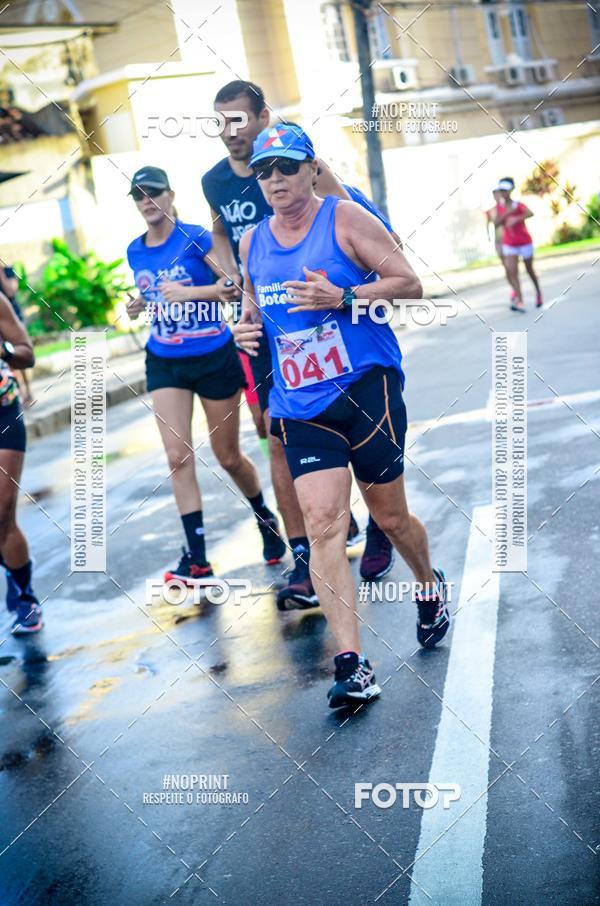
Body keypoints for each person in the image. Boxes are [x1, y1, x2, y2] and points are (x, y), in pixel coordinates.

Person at [238, 124, 449, 709]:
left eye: (286, 167)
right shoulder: (254, 240)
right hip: (302, 403)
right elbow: (254, 307)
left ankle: (428, 586)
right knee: (325, 523)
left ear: (310, 168)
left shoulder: (347, 219)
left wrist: (346, 298)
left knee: (392, 515)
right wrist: (245, 327)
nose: (275, 180)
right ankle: (352, 665)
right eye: (264, 171)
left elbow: (409, 284)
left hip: (366, 388)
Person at [202, 80, 394, 611]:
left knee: (360, 430)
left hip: (333, 311)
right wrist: (237, 283)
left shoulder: (302, 160)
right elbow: (220, 233)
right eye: (220, 122)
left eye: (239, 121)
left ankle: (382, 520)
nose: (229, 133)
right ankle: (307, 557)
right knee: (276, 438)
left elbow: (350, 217)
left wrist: (342, 290)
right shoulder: (214, 180)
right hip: (272, 327)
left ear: (264, 117)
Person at [125, 166, 285, 585]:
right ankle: (197, 559)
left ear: (171, 194)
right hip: (164, 359)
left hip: (214, 355)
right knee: (178, 457)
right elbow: (154, 292)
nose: (147, 201)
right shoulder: (135, 250)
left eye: (154, 192)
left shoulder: (196, 237)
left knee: (228, 456)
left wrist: (192, 293)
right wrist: (139, 304)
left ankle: (264, 515)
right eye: (139, 196)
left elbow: (232, 284)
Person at [0, 291, 39, 634]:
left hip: (3, 411)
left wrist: (4, 351)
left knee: (2, 516)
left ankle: (26, 597)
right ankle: (13, 569)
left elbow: (27, 354)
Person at [493, 178, 543, 312]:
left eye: (505, 191)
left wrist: (517, 218)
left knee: (529, 270)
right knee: (512, 271)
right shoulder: (500, 207)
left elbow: (530, 213)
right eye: (501, 191)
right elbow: (496, 223)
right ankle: (520, 300)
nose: (503, 193)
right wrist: (507, 214)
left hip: (524, 241)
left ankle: (538, 292)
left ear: (510, 191)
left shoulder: (518, 205)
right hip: (509, 243)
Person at [0, 265, 33, 407]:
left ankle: (28, 391)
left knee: (17, 354)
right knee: (8, 361)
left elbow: (10, 290)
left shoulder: (8, 270)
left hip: (13, 318)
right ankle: (17, 392)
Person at [485, 187, 517, 305]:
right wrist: (488, 236)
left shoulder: (507, 208)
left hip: (508, 240)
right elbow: (489, 224)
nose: (497, 197)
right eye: (495, 195)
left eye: (498, 194)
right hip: (498, 241)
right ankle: (514, 289)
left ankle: (516, 289)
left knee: (511, 267)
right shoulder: (491, 211)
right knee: (506, 267)